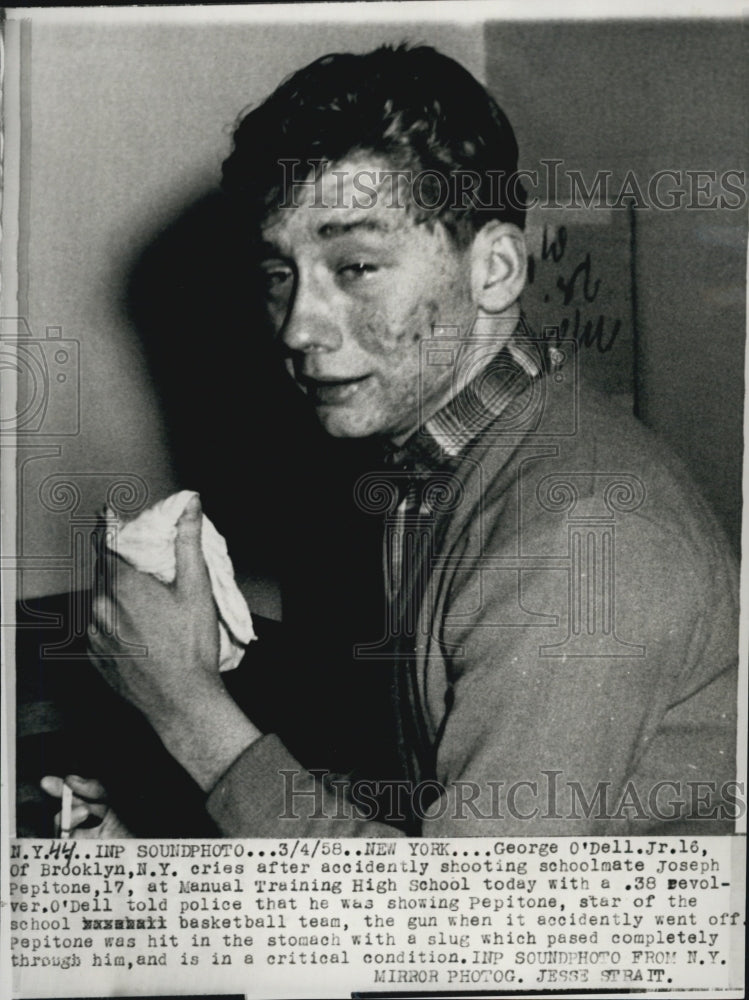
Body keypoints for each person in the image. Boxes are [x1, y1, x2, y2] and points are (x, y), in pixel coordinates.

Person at [44, 44, 739, 837]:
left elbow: (462, 944)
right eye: (279, 274)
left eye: (357, 265)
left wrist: (185, 709)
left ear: (497, 269)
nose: (300, 326)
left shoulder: (578, 537)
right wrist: (172, 828)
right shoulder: (443, 464)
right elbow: (434, 801)